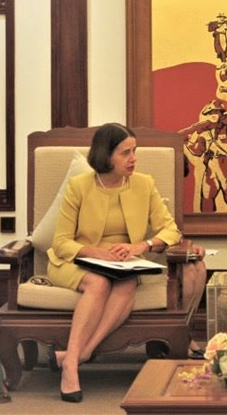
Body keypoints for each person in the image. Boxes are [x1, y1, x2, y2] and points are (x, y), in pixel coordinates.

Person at [46, 123, 206, 402]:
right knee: (98, 283)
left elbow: (170, 230)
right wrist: (96, 253)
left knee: (126, 283)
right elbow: (61, 242)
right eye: (125, 153)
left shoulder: (144, 184)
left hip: (123, 264)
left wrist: (142, 246)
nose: (133, 158)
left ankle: (78, 355)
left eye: (134, 151)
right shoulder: (79, 186)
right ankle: (71, 365)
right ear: (105, 155)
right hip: (76, 261)